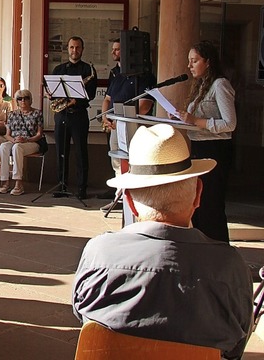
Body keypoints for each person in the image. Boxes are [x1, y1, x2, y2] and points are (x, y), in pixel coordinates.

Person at [72, 123, 252, 360]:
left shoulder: (99, 253)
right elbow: (235, 346)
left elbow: (81, 314)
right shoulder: (229, 265)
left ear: (130, 201)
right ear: (198, 194)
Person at [178, 40, 237, 243]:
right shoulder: (202, 85)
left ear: (208, 62)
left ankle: (219, 250)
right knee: (198, 205)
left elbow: (230, 124)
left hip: (215, 150)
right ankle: (201, 248)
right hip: (199, 147)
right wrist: (183, 120)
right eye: (189, 61)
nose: (190, 66)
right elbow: (197, 124)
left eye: (194, 61)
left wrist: (195, 120)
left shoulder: (220, 85)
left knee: (211, 205)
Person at [99, 38, 155, 208]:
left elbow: (144, 107)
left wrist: (119, 118)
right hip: (116, 126)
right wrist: (105, 116)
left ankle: (134, 199)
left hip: (134, 127)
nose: (113, 53)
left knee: (134, 162)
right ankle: (120, 196)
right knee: (117, 162)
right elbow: (108, 99)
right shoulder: (118, 75)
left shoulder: (146, 77)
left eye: (118, 50)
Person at [51, 36, 97, 199]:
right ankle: (61, 185)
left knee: (81, 152)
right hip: (61, 114)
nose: (74, 51)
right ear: (67, 49)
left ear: (82, 49)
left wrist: (75, 100)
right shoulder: (59, 69)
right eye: (71, 47)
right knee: (61, 152)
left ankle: (81, 188)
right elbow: (52, 94)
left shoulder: (88, 70)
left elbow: (90, 95)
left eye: (77, 47)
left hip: (79, 115)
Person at [0, 90, 43, 196]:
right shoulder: (12, 114)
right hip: (15, 141)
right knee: (3, 146)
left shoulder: (37, 113)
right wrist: (13, 140)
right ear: (17, 101)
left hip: (31, 142)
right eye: (20, 98)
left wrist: (26, 140)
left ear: (30, 100)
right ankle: (5, 181)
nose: (23, 101)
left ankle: (18, 183)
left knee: (17, 148)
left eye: (26, 98)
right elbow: (7, 134)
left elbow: (39, 134)